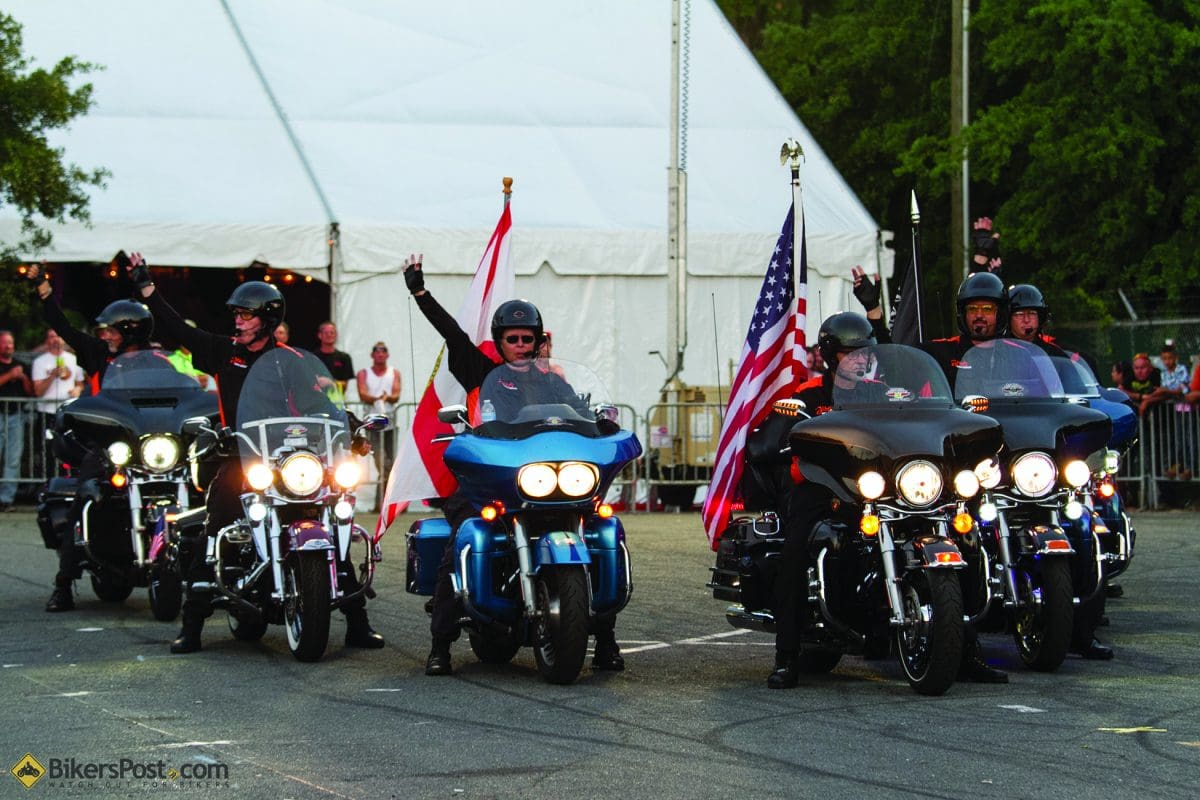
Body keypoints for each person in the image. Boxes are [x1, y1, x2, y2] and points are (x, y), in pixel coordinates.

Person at [126, 255, 383, 654]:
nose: (238, 321)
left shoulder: (293, 361)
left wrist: (350, 426)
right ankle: (191, 625)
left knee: (333, 518)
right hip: (241, 456)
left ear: (266, 318)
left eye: (245, 315)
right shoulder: (221, 352)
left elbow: (321, 402)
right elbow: (177, 329)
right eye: (237, 315)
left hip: (292, 459)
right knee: (217, 520)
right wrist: (147, 290)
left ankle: (357, 623)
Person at [402, 253, 625, 676]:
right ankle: (441, 644)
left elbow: (580, 412)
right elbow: (453, 335)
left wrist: (601, 424)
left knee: (600, 530)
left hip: (547, 483)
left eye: (527, 339)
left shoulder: (553, 380)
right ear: (500, 341)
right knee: (462, 540)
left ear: (538, 340)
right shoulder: (481, 371)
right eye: (513, 339)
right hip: (491, 485)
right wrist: (420, 293)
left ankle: (606, 639)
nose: (521, 346)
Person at [753, 312, 874, 689]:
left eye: (863, 353)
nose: (858, 359)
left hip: (872, 488)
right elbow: (776, 438)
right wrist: (789, 430)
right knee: (794, 552)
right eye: (849, 352)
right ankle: (786, 657)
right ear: (830, 354)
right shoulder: (808, 397)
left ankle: (963, 648)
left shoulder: (882, 394)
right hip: (822, 490)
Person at [28, 264, 156, 611]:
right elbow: (63, 327)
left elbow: (183, 393)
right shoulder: (97, 355)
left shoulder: (158, 362)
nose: (105, 336)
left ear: (130, 331)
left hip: (149, 447)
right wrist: (44, 290)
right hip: (108, 444)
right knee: (82, 500)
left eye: (111, 331)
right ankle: (63, 583)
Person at [30, 329, 84, 477]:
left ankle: (70, 479)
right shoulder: (40, 362)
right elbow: (38, 391)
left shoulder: (73, 359)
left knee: (71, 447)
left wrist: (78, 389)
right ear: (47, 341)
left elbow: (80, 383)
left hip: (67, 412)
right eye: (51, 337)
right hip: (47, 413)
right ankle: (47, 480)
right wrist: (52, 376)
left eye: (58, 336)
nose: (55, 340)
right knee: (47, 449)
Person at [355, 341, 401, 499]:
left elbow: (396, 394)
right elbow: (362, 393)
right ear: (372, 355)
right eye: (377, 352)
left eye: (383, 352)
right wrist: (378, 398)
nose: (380, 354)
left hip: (390, 423)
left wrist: (386, 397)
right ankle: (388, 498)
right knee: (382, 461)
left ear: (387, 355)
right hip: (371, 425)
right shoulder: (363, 373)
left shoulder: (394, 372)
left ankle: (381, 501)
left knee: (390, 461)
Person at [0, 330, 33, 512]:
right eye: (5, 343)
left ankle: (6, 499)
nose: (8, 347)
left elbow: (31, 392)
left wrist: (23, 378)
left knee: (12, 459)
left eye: (11, 343)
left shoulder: (22, 365)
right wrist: (10, 376)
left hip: (16, 416)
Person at [315, 321, 354, 395]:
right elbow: (307, 383)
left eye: (332, 333)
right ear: (320, 335)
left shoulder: (344, 357)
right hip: (316, 400)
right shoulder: (312, 357)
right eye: (326, 333)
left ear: (336, 335)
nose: (329, 335)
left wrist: (330, 382)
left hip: (337, 401)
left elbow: (345, 386)